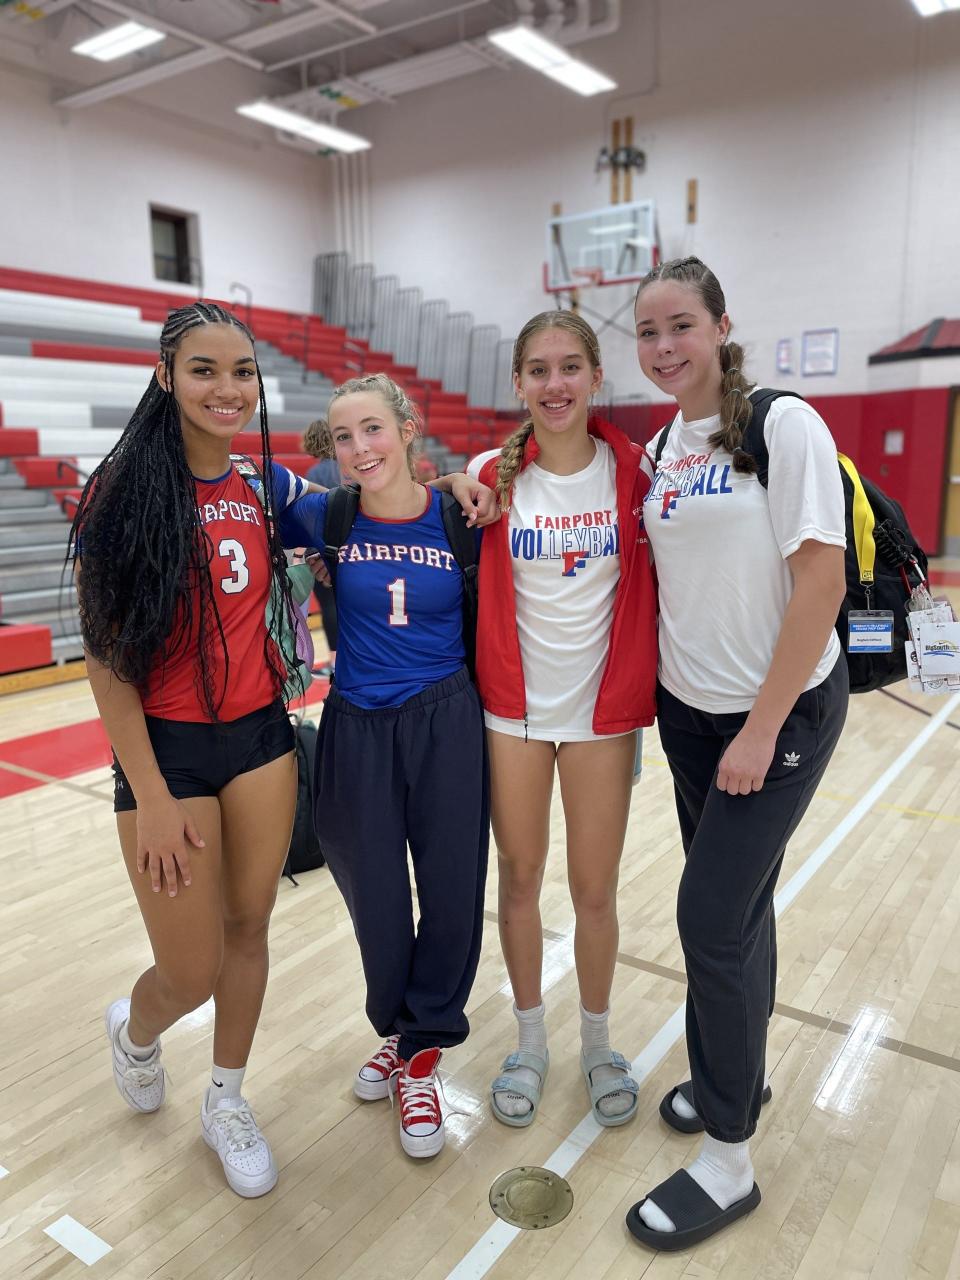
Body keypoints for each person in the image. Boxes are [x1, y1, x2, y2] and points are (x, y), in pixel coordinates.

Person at [70, 301, 318, 1199]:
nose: (228, 387)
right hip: (165, 757)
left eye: (243, 370)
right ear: (167, 377)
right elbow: (105, 661)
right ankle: (136, 1035)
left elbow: (360, 508)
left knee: (249, 928)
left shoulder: (268, 482)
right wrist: (151, 795)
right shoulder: (125, 492)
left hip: (259, 740)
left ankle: (226, 1100)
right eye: (206, 369)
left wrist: (451, 489)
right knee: (191, 968)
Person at [625, 257, 849, 1250]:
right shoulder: (661, 445)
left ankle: (727, 1155)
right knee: (740, 910)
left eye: (681, 324)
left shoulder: (782, 425)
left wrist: (761, 728)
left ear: (721, 325)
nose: (665, 346)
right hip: (692, 715)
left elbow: (820, 583)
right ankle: (740, 1069)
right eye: (647, 331)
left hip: (781, 716)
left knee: (708, 920)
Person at [275, 373, 491, 1160]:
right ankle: (399, 1029)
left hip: (446, 716)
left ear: (407, 429)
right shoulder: (325, 513)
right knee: (372, 890)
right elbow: (245, 465)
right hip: (357, 721)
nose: (359, 448)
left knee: (450, 884)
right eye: (342, 437)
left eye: (372, 429)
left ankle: (423, 1049)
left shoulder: (461, 514)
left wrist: (469, 476)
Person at [464, 311, 657, 1130]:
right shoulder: (491, 473)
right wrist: (444, 485)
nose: (555, 384)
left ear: (595, 376)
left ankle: (599, 1043)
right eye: (538, 370)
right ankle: (531, 1042)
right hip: (513, 712)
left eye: (570, 367)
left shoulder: (636, 471)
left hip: (601, 714)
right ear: (518, 384)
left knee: (594, 891)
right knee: (517, 879)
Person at [301, 420, 341, 678]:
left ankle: (335, 663)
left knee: (329, 608)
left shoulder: (315, 474)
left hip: (322, 548)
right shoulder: (347, 469)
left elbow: (309, 517)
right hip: (351, 546)